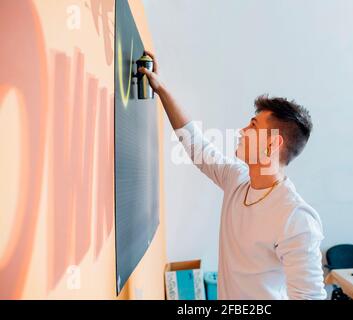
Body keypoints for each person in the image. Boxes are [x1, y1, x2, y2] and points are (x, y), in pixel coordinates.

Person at [139, 51, 326, 300]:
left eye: (253, 126)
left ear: (272, 144)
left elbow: (309, 297)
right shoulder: (236, 180)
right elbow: (196, 144)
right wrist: (161, 89)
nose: (241, 130)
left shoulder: (296, 218)